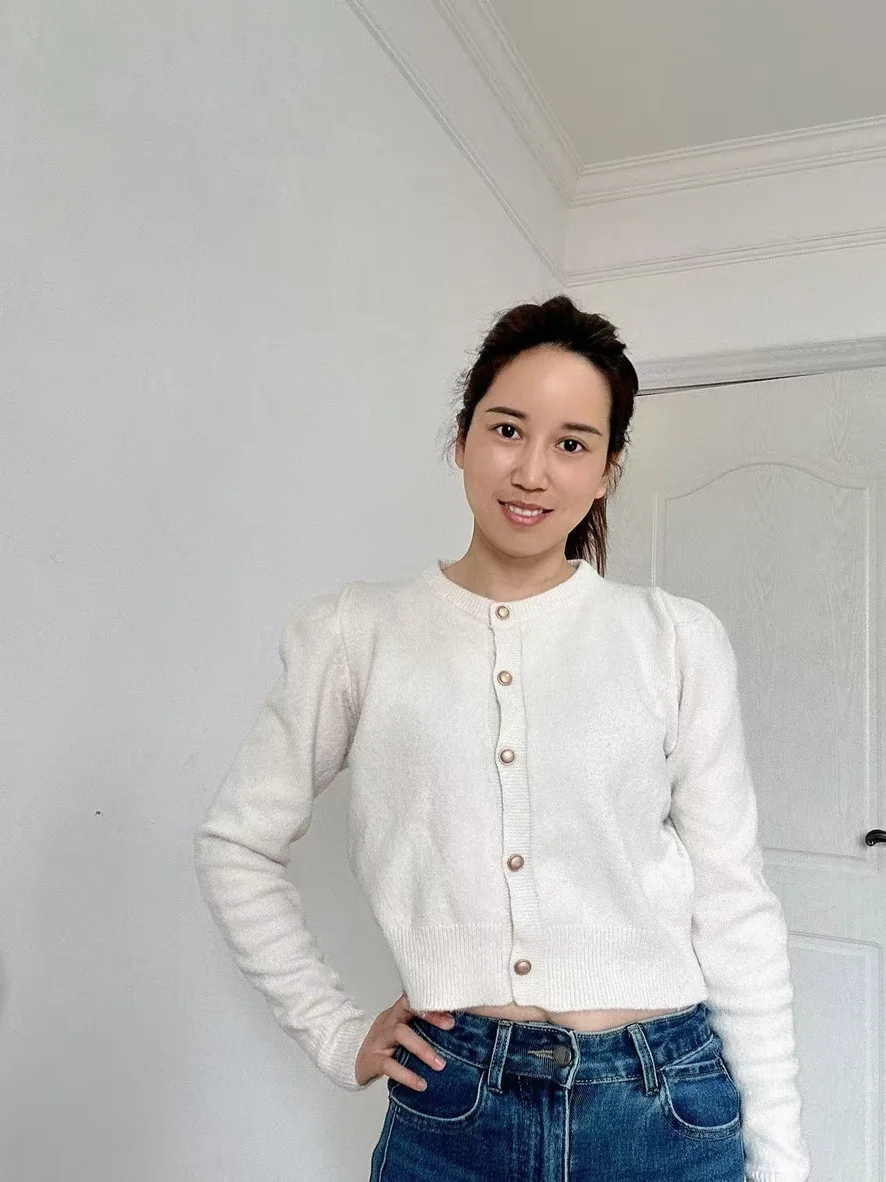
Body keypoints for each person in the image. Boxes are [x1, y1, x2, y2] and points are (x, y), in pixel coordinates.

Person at [193, 295, 811, 1181]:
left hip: (664, 1106)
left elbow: (734, 901)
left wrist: (783, 1161)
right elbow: (236, 845)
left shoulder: (674, 639)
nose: (532, 472)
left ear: (607, 470)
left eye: (572, 444)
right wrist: (334, 1032)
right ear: (462, 438)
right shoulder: (354, 633)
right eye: (508, 429)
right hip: (454, 1112)